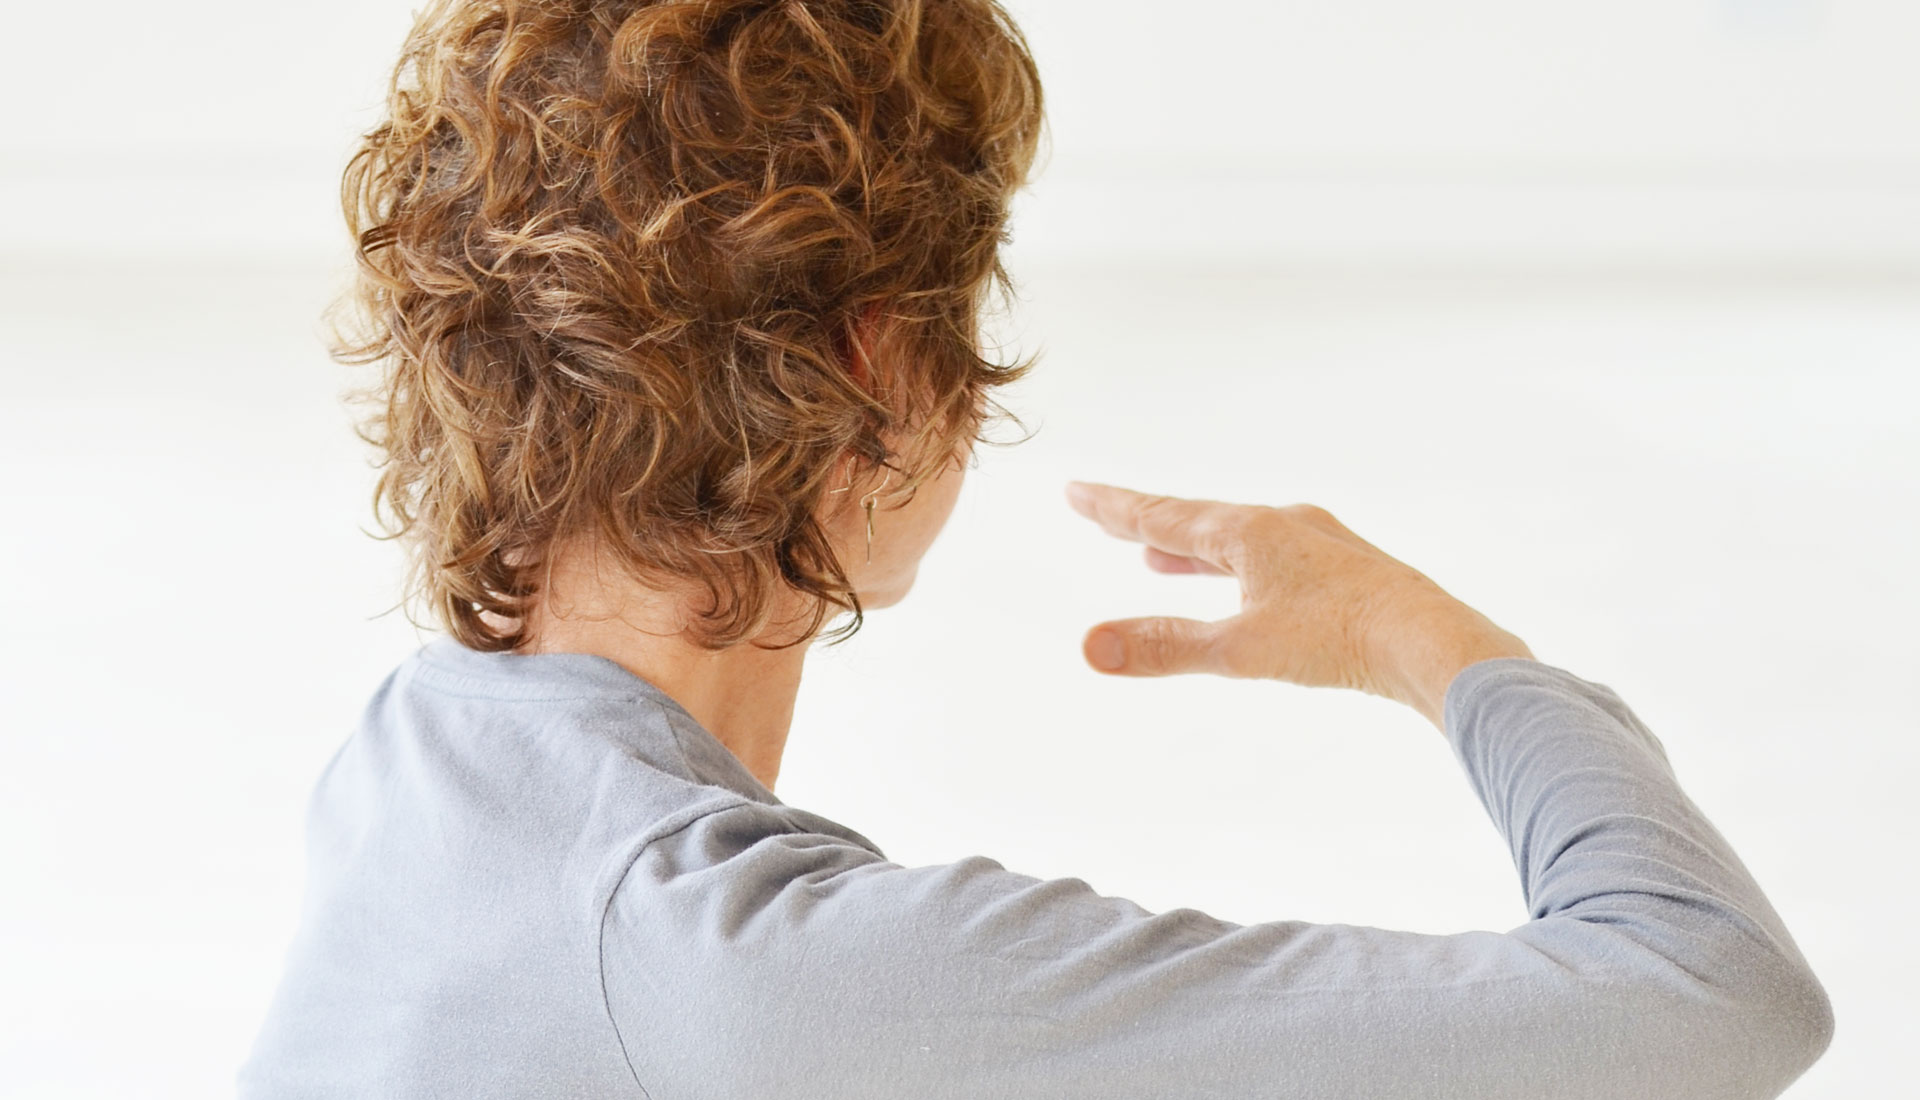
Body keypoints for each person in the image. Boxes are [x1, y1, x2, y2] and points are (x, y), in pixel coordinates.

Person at [239, 1, 1834, 1096]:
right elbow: (1712, 1001)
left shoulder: (413, 760)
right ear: (881, 369)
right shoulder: (749, 972)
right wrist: (1424, 636)